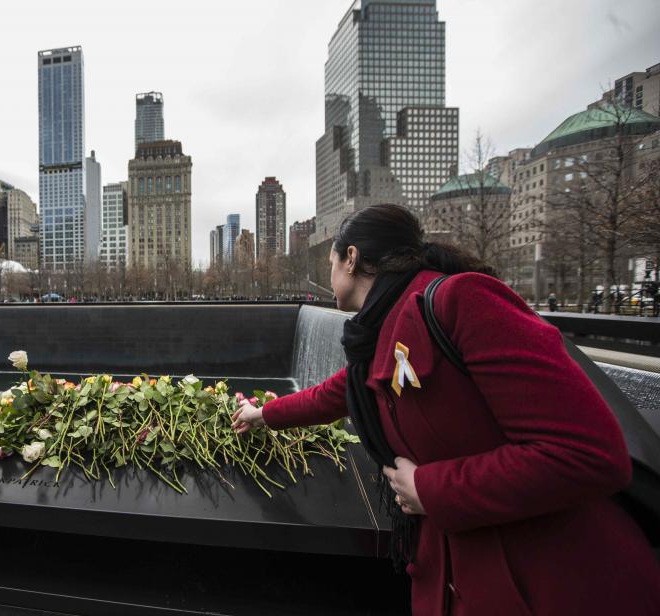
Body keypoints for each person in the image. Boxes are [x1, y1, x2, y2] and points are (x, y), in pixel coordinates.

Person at [231, 203, 660, 615]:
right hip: (462, 577)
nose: (329, 271)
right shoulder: (382, 327)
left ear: (351, 258)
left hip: (554, 585)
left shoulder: (463, 301)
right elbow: (335, 394)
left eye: (330, 261)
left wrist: (430, 489)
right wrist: (261, 415)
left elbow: (590, 455)